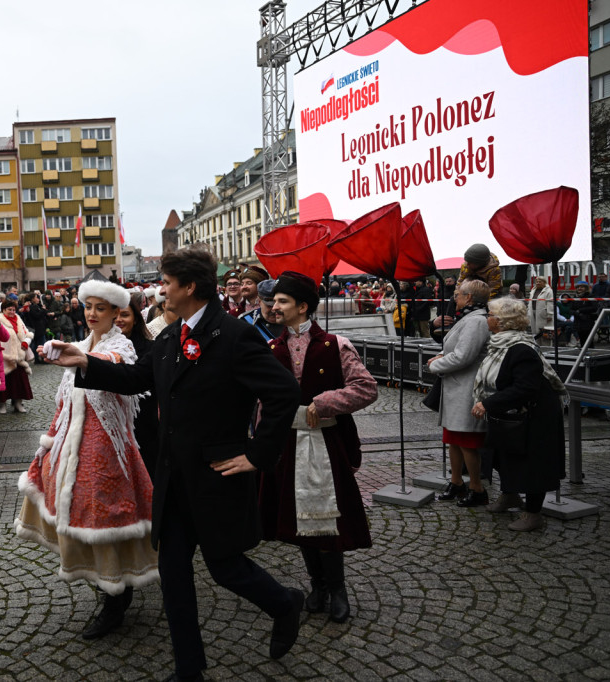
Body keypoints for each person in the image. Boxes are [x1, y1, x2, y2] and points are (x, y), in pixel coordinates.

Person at [44, 246, 303, 681]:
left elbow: (283, 394)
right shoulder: (168, 336)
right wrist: (85, 361)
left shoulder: (233, 335)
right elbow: (137, 379)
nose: (160, 289)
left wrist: (257, 454)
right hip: (172, 478)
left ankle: (284, 603)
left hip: (216, 476)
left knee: (226, 568)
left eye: (166, 282)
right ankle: (189, 669)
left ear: (190, 287)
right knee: (174, 573)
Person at [19, 281, 157, 641]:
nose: (92, 313)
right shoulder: (80, 345)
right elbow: (64, 404)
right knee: (85, 520)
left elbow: (114, 367)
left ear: (117, 314)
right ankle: (107, 589)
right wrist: (48, 444)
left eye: (101, 308)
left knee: (107, 521)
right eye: (88, 307)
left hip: (108, 453)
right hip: (75, 450)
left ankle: (116, 598)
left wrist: (83, 359)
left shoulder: (120, 347)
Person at [258, 271, 377, 624]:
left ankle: (337, 588)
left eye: (281, 301)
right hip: (288, 446)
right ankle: (318, 586)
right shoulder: (271, 349)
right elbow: (263, 401)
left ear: (303, 306)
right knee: (298, 517)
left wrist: (325, 402)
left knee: (327, 517)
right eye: (273, 301)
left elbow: (366, 388)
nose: (274, 306)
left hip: (327, 442)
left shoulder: (336, 345)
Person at [472, 298, 568, 531]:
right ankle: (510, 496)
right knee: (504, 455)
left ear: (502, 322)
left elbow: (526, 387)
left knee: (533, 464)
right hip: (512, 414)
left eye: (491, 314)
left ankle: (534, 514)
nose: (487, 318)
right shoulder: (501, 344)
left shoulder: (521, 349)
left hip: (536, 416)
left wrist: (488, 403)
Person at [428, 280, 492, 507]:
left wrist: (436, 365)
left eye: (458, 294)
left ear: (470, 298)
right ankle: (457, 482)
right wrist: (441, 356)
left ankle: (477, 488)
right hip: (456, 387)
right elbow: (454, 349)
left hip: (466, 388)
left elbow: (464, 356)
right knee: (453, 439)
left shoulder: (476, 321)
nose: (455, 298)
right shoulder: (469, 318)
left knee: (466, 440)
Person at [116, 289, 159, 475]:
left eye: (124, 315)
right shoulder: (96, 347)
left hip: (144, 428)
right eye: (114, 315)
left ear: (135, 318)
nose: (118, 320)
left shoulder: (150, 348)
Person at [0, 299, 33, 414]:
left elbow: (27, 332)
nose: (12, 312)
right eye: (9, 309)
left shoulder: (18, 318)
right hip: (5, 355)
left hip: (19, 355)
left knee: (19, 382)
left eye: (13, 309)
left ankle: (18, 403)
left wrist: (27, 341)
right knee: (4, 381)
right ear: (3, 310)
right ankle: (2, 405)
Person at [571, 281, 599, 347]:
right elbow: (570, 309)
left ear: (586, 288)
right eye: (578, 287)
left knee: (588, 340)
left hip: (588, 320)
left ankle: (591, 353)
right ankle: (583, 354)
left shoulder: (591, 296)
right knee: (582, 339)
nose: (579, 288)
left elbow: (594, 307)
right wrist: (576, 313)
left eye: (582, 287)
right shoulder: (575, 297)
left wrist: (580, 310)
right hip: (578, 321)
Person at [529, 276, 554, 346]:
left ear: (544, 283)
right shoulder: (533, 290)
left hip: (543, 314)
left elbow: (550, 303)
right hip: (533, 313)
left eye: (540, 282)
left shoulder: (549, 291)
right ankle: (537, 347)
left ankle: (547, 349)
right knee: (535, 333)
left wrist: (550, 314)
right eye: (537, 282)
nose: (538, 283)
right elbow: (530, 302)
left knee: (545, 333)